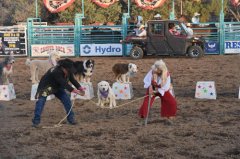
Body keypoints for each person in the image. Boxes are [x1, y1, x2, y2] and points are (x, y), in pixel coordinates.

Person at [32, 58, 85, 127]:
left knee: (67, 100)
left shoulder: (68, 71)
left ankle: (71, 119)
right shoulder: (56, 71)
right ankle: (36, 121)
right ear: (63, 68)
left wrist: (80, 88)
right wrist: (74, 90)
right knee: (41, 101)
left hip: (58, 87)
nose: (70, 72)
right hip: (46, 86)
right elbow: (63, 83)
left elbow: (73, 80)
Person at [138, 60, 177, 125]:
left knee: (172, 101)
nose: (156, 71)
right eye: (155, 70)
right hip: (152, 88)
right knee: (147, 101)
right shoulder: (152, 71)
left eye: (158, 70)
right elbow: (146, 80)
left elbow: (166, 86)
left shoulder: (166, 74)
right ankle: (143, 115)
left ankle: (169, 115)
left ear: (161, 70)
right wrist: (150, 87)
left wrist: (157, 91)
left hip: (162, 89)